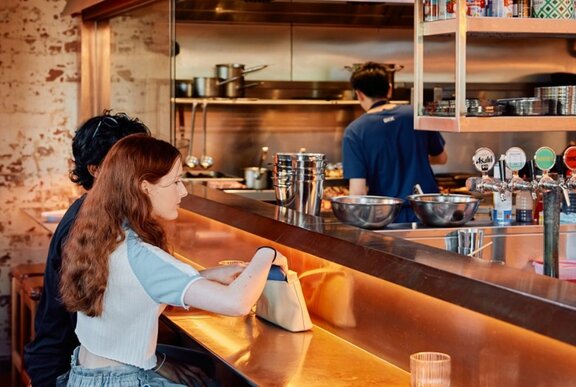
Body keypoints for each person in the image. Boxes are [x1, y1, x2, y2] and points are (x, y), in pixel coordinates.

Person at [57, 134, 288, 386]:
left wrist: (206, 277)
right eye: (176, 181)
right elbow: (236, 303)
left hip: (85, 374)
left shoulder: (104, 234)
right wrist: (267, 254)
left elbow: (136, 288)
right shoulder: (142, 255)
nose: (183, 191)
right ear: (145, 187)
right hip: (121, 380)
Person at [24, 111, 152, 386]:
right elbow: (101, 318)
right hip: (66, 369)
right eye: (128, 161)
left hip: (74, 356)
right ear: (95, 170)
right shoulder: (89, 226)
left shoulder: (102, 212)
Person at [342, 62, 448, 223]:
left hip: (386, 219)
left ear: (359, 94)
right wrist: (414, 158)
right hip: (428, 214)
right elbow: (442, 158)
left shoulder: (355, 132)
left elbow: (357, 192)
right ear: (390, 89)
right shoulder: (416, 115)